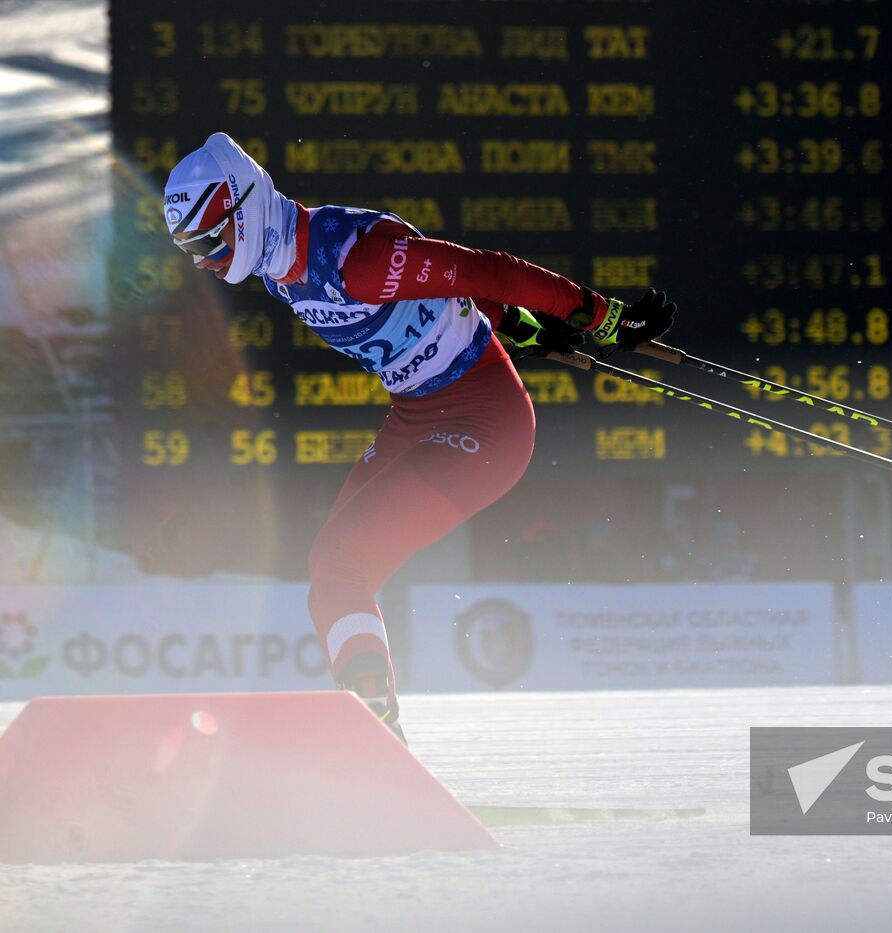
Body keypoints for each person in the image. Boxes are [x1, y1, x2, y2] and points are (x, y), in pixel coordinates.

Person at [162, 132, 676, 740]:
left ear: (241, 210)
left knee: (342, 560)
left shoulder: (358, 257)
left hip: (485, 423)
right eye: (190, 251)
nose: (205, 263)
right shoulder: (278, 267)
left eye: (206, 243)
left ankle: (374, 723)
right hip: (417, 414)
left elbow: (486, 269)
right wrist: (523, 328)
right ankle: (373, 722)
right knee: (331, 568)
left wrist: (601, 318)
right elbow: (445, 294)